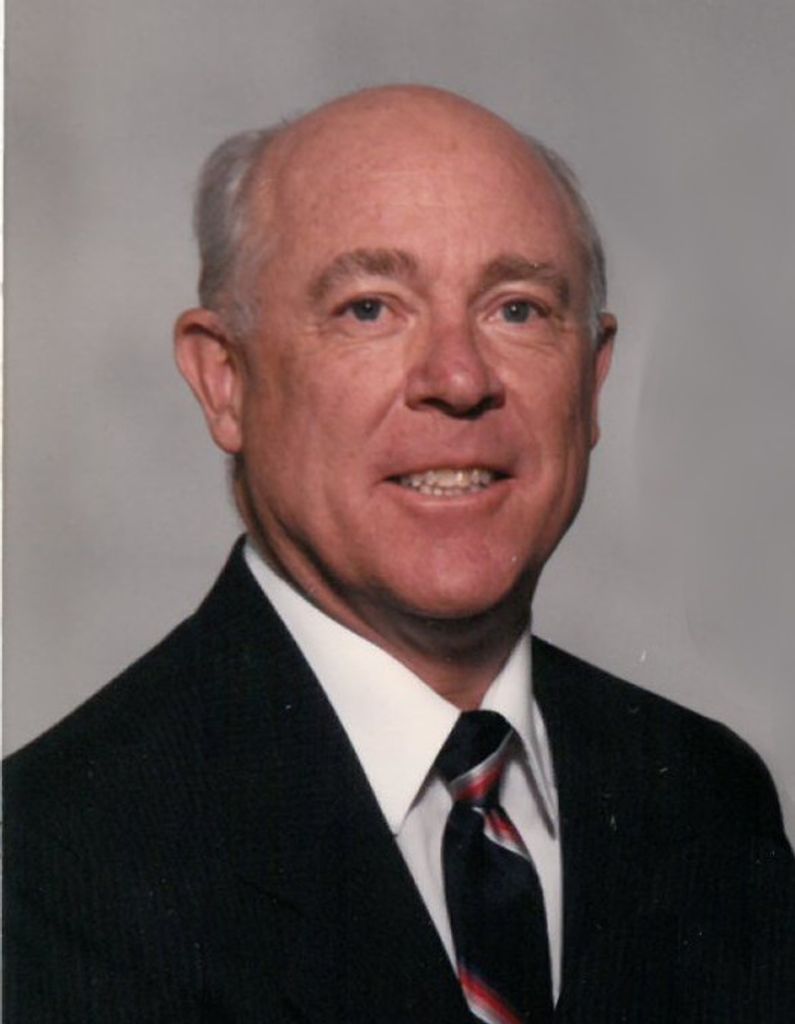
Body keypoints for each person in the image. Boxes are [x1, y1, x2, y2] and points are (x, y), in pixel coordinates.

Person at [4, 85, 793, 1023]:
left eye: (517, 309)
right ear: (225, 382)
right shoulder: (49, 863)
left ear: (590, 383)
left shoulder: (708, 797)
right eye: (369, 308)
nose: (458, 379)